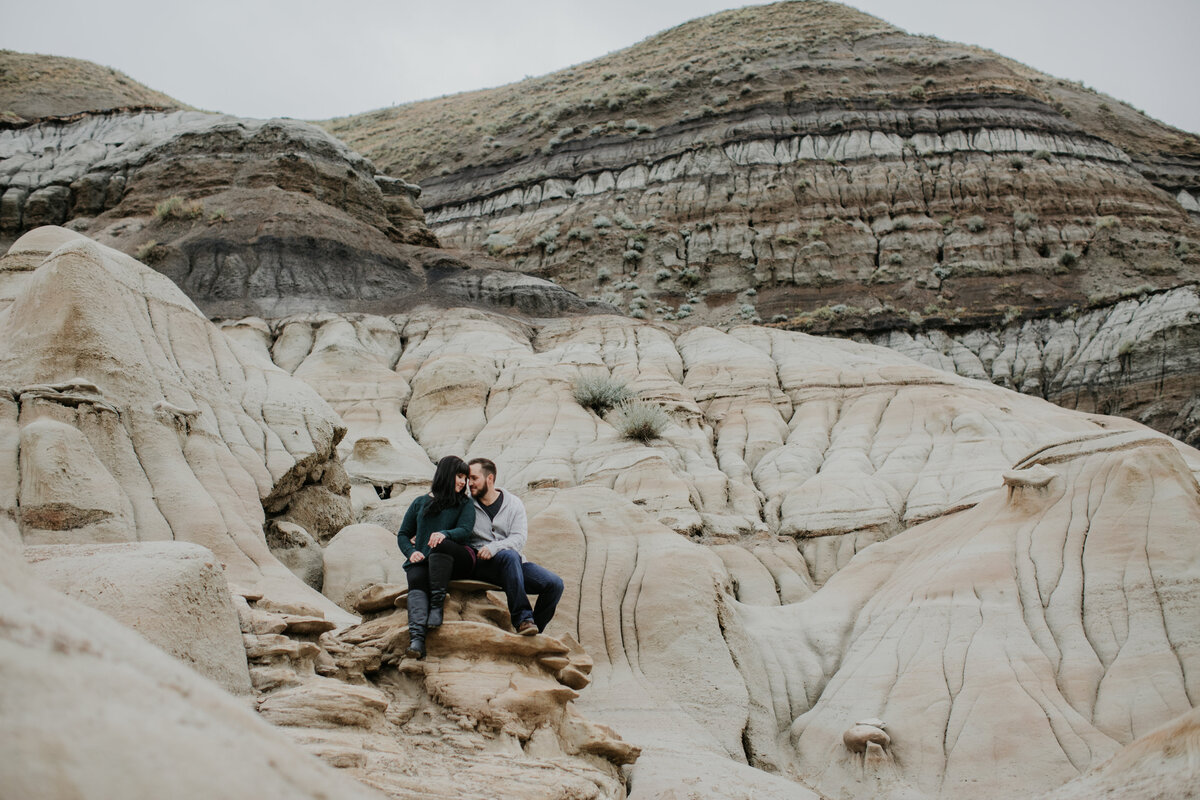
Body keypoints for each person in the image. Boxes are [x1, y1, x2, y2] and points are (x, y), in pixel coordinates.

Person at [466, 458, 563, 635]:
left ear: (490, 478)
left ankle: (534, 632)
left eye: (474, 478)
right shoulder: (466, 505)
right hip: (482, 565)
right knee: (510, 556)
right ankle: (523, 620)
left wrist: (495, 547)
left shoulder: (513, 503)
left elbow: (519, 538)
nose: (469, 483)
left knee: (554, 584)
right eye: (468, 479)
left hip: (513, 565)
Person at [396, 455, 476, 659]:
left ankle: (436, 607)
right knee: (415, 576)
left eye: (465, 478)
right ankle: (417, 640)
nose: (463, 482)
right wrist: (411, 552)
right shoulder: (420, 502)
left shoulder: (464, 503)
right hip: (426, 559)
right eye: (459, 476)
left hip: (456, 558)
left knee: (441, 545)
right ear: (446, 475)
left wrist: (445, 534)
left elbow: (465, 530)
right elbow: (404, 534)